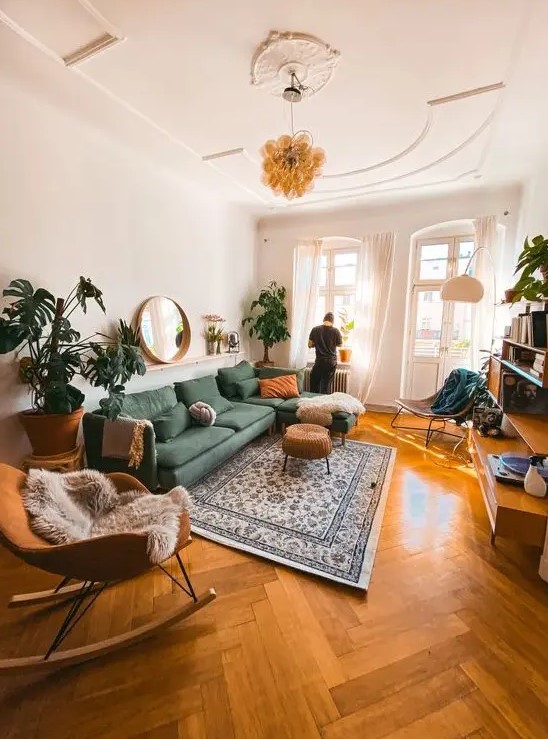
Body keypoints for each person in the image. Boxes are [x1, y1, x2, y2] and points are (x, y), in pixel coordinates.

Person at [308, 312, 342, 394]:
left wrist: (317, 343)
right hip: (331, 362)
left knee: (314, 383)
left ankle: (313, 403)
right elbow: (340, 344)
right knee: (326, 385)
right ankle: (324, 405)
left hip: (320, 361)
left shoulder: (315, 329)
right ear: (332, 321)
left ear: (324, 319)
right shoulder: (336, 331)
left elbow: (309, 345)